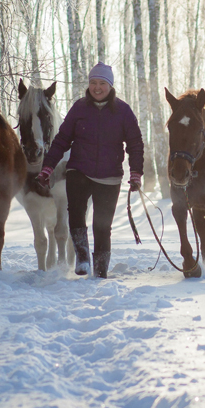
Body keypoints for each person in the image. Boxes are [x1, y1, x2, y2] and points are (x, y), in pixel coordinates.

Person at [36, 63, 144, 278]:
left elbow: (135, 144)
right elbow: (62, 140)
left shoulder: (123, 111)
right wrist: (48, 167)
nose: (97, 87)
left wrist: (136, 173)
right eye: (93, 82)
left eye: (102, 83)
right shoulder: (80, 108)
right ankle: (83, 258)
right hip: (79, 171)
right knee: (76, 215)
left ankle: (101, 269)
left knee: (102, 226)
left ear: (110, 86)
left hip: (110, 176)